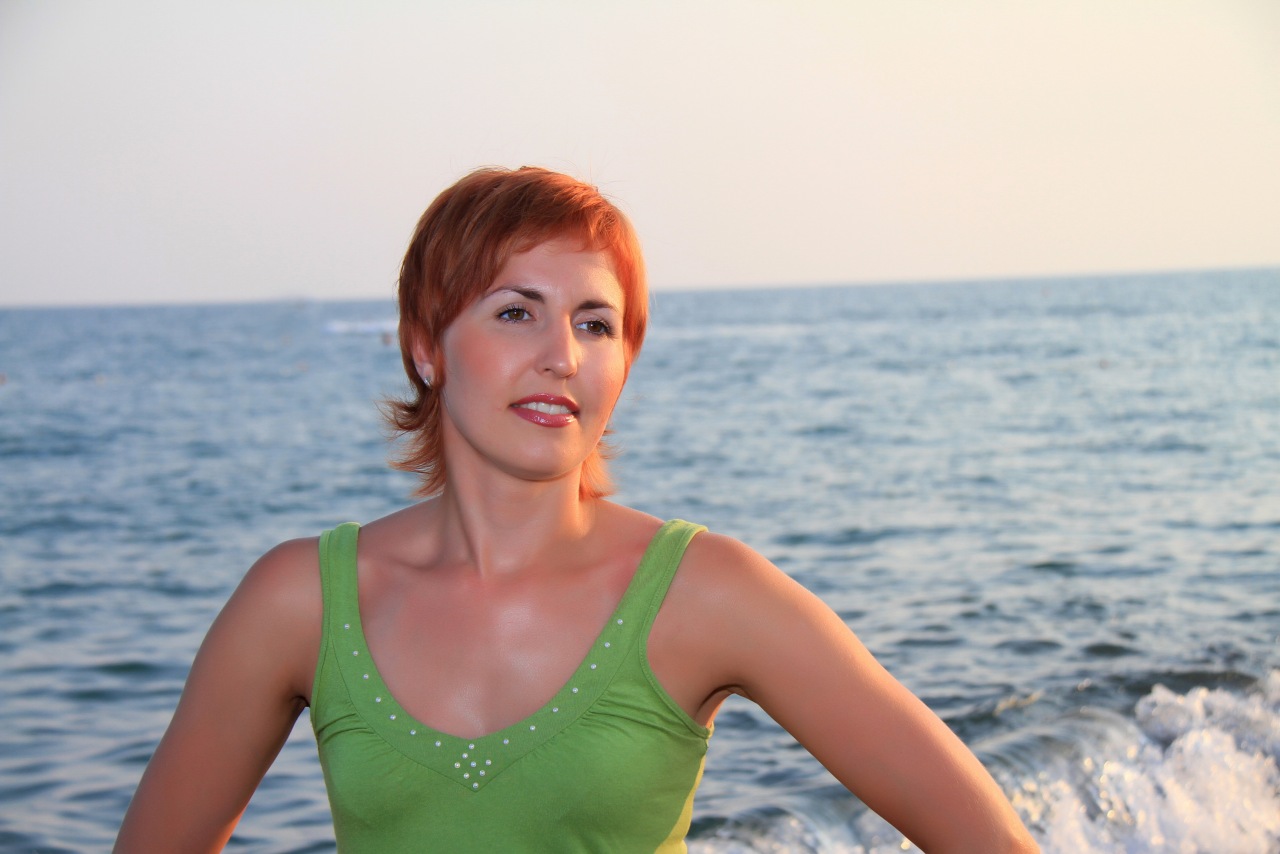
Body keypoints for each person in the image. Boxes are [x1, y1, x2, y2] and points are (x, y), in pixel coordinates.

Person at [115, 166, 1037, 853]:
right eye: (516, 312)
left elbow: (990, 840)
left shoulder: (706, 593)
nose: (563, 355)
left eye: (595, 324)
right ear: (426, 346)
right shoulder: (301, 602)